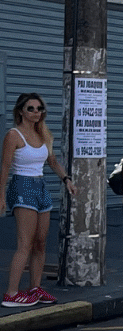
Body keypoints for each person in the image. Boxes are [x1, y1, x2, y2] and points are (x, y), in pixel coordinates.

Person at [2, 94, 72, 307]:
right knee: (25, 244)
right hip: (22, 185)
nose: (36, 112)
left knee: (40, 243)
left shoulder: (43, 134)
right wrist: (1, 195)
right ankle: (12, 294)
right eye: (30, 108)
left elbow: (52, 161)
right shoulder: (14, 135)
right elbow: (4, 167)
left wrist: (66, 179)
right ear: (21, 111)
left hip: (41, 187)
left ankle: (35, 288)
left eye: (39, 108)